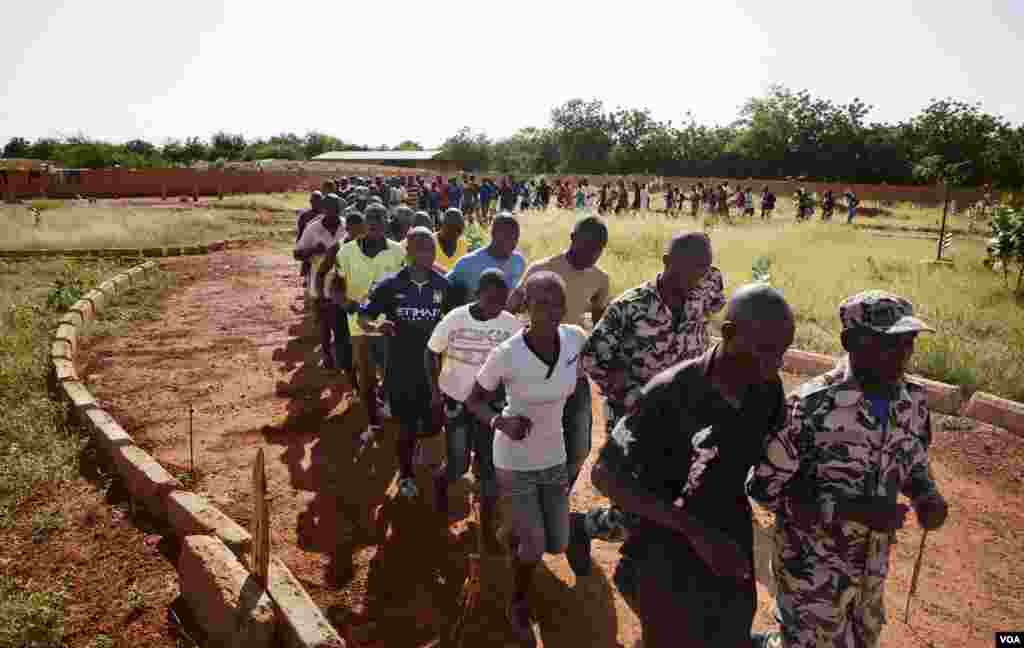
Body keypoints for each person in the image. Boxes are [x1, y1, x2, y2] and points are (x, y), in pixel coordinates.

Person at [592, 284, 795, 648]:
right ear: (729, 335)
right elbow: (605, 475)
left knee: (729, 634)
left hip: (728, 544)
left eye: (781, 352)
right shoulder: (668, 393)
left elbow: (772, 464)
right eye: (766, 350)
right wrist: (695, 531)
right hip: (663, 547)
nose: (775, 363)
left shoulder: (767, 390)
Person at [747, 290, 948, 648]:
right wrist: (847, 509)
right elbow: (763, 488)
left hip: (872, 568)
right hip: (813, 570)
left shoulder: (912, 400)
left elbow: (913, 457)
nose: (904, 355)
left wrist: (925, 494)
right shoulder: (810, 407)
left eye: (909, 342)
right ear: (851, 341)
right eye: (890, 343)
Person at [568, 232, 725, 576]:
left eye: (705, 267)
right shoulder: (629, 307)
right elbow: (593, 357)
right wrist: (628, 396)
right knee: (633, 505)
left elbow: (717, 301)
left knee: (673, 495)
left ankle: (637, 556)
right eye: (692, 267)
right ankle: (582, 528)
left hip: (686, 416)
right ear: (668, 262)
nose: (700, 275)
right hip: (635, 419)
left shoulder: (705, 288)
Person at [465, 271, 589, 647]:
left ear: (564, 308)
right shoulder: (507, 354)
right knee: (534, 547)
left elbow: (582, 380)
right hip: (514, 458)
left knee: (558, 544)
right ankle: (517, 601)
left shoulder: (575, 340)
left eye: (556, 303)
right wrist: (500, 420)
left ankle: (511, 528)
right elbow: (473, 400)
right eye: (540, 303)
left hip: (555, 456)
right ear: (525, 306)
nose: (548, 310)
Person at [507, 215, 609, 491]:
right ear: (573, 239)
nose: (592, 254)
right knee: (529, 437)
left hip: (573, 370)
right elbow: (510, 310)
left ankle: (557, 494)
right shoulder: (542, 269)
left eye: (598, 249)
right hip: (534, 367)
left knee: (579, 447)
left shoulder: (600, 279)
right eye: (587, 247)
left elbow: (602, 327)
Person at [426, 269, 523, 543]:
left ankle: (487, 529)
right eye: (490, 299)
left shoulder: (511, 325)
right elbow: (431, 352)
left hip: (490, 407)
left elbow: (519, 362)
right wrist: (435, 393)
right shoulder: (455, 318)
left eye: (501, 301)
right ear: (478, 295)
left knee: (489, 467)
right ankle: (441, 484)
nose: (496, 306)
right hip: (455, 401)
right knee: (458, 462)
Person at [358, 228, 451, 498]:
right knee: (406, 426)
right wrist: (377, 325)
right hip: (399, 371)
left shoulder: (444, 286)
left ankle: (425, 456)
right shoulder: (389, 285)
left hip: (434, 372)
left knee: (434, 424)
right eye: (419, 247)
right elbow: (364, 319)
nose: (425, 253)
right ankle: (407, 474)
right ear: (407, 251)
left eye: (430, 247)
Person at [335, 203, 406, 445]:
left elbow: (405, 286)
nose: (375, 223)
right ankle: (373, 422)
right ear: (363, 223)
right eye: (370, 218)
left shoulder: (398, 252)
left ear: (387, 222)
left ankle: (386, 406)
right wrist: (346, 303)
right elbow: (336, 285)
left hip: (390, 326)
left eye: (380, 218)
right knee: (365, 378)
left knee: (392, 374)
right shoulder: (346, 252)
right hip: (359, 326)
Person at [295, 193, 349, 370]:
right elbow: (297, 253)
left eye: (336, 209)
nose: (333, 212)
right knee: (325, 322)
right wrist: (312, 250)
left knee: (342, 322)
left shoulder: (347, 225)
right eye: (330, 209)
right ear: (324, 209)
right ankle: (326, 355)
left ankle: (342, 357)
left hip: (343, 282)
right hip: (320, 282)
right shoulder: (312, 228)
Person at [446, 212, 527, 305]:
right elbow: (442, 286)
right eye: (507, 236)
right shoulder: (468, 263)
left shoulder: (519, 262)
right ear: (493, 233)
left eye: (516, 237)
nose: (513, 241)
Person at [296, 190, 324, 289]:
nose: (314, 203)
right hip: (309, 244)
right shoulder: (304, 215)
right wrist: (299, 244)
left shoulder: (326, 214)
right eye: (312, 201)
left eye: (317, 201)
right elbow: (300, 231)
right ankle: (308, 282)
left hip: (322, 245)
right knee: (308, 264)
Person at [434, 207, 468, 272]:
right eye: (451, 228)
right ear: (443, 225)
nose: (456, 233)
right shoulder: (430, 241)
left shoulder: (463, 242)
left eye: (459, 230)